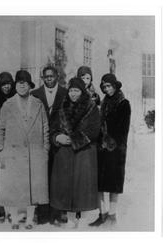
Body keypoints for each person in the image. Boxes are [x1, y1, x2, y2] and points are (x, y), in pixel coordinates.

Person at [0, 70, 49, 230]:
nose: (22, 86)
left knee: (33, 187)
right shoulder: (8, 105)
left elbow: (45, 127)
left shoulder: (38, 104)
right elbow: (0, 129)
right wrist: (0, 149)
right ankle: (15, 218)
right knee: (14, 186)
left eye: (25, 83)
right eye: (19, 83)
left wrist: (45, 149)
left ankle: (30, 219)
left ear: (30, 86)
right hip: (13, 153)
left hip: (35, 153)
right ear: (15, 85)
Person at [50, 77, 101, 227]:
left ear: (82, 91)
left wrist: (73, 139)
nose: (73, 94)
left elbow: (94, 130)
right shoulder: (61, 107)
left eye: (76, 90)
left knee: (82, 186)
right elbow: (53, 128)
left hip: (84, 153)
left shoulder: (91, 107)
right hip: (65, 154)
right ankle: (71, 219)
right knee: (66, 186)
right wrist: (57, 137)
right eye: (71, 90)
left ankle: (83, 219)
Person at [89, 74, 131, 227]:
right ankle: (102, 214)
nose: (107, 89)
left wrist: (111, 143)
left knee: (113, 183)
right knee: (100, 183)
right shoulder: (104, 102)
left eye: (109, 86)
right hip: (102, 149)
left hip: (116, 149)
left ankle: (112, 216)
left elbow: (123, 129)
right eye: (104, 87)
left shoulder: (124, 103)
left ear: (115, 86)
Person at [31, 65, 68, 225]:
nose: (49, 79)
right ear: (42, 78)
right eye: (46, 77)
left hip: (60, 141)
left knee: (58, 178)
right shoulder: (35, 94)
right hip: (41, 141)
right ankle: (42, 213)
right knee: (41, 177)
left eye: (51, 76)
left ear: (57, 76)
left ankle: (59, 212)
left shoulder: (66, 93)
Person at [0, 72, 16, 223]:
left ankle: (12, 210)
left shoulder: (15, 97)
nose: (6, 87)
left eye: (8, 84)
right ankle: (1, 208)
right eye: (3, 84)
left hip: (12, 142)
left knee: (11, 178)